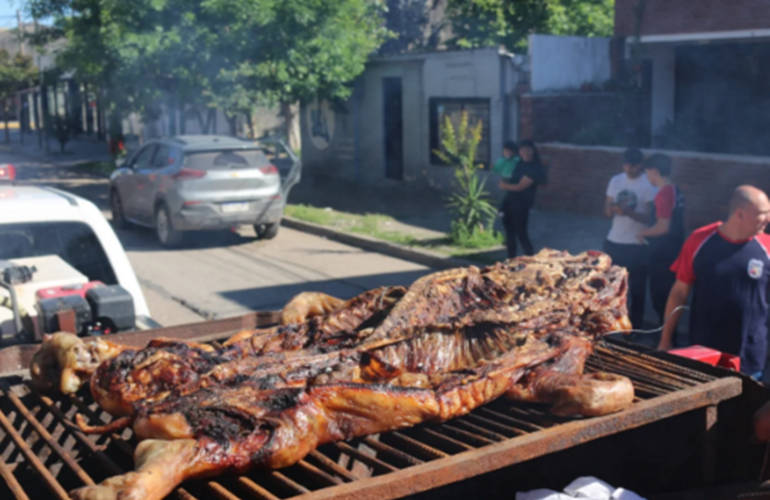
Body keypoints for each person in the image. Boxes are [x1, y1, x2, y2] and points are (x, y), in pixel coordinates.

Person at [657, 186, 770, 380]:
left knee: (744, 410)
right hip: (704, 352)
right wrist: (665, 339)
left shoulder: (766, 246)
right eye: (762, 214)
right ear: (739, 214)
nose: (768, 220)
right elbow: (680, 292)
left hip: (750, 355)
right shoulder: (700, 239)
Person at [603, 148, 658, 329]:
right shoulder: (616, 180)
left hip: (637, 243)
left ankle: (636, 326)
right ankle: (610, 323)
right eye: (625, 165)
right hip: (615, 240)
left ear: (640, 165)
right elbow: (606, 210)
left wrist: (628, 212)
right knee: (611, 287)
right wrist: (612, 209)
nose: (628, 169)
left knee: (637, 289)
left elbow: (651, 218)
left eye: (632, 166)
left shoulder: (648, 184)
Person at [637, 153, 685, 339]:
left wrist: (642, 233)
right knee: (669, 295)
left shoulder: (663, 194)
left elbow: (663, 227)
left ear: (654, 171)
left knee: (661, 298)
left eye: (647, 172)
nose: (647, 177)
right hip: (674, 250)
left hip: (662, 255)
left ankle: (667, 340)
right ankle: (669, 336)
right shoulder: (676, 190)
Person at [498, 140, 544, 258]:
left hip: (521, 205)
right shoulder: (518, 163)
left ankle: (530, 260)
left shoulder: (534, 168)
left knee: (521, 234)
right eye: (522, 149)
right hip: (509, 202)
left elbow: (520, 187)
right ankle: (511, 260)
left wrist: (504, 185)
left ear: (533, 151)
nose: (524, 152)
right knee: (509, 233)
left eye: (528, 149)